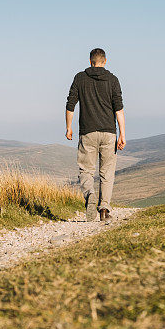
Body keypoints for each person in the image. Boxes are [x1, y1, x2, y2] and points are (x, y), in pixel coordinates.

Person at [65, 47, 126, 223]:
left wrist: (68, 127)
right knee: (107, 173)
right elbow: (119, 109)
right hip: (109, 132)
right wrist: (122, 133)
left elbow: (70, 104)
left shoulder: (80, 78)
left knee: (86, 170)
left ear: (90, 61)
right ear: (105, 61)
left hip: (87, 132)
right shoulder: (113, 80)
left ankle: (90, 194)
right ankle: (104, 209)